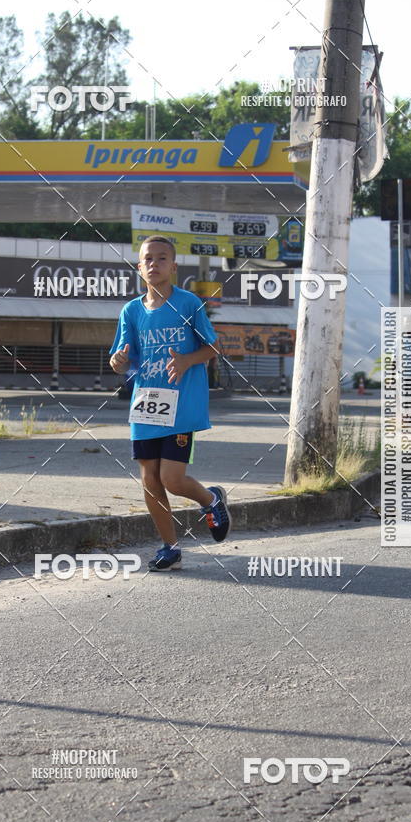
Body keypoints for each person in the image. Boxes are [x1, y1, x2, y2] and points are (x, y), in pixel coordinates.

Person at [109, 235, 231, 571]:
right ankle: (170, 548)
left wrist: (187, 360)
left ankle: (211, 499)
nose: (154, 264)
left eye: (162, 258)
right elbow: (122, 358)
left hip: (182, 405)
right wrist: (118, 363)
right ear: (139, 267)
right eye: (148, 258)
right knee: (149, 479)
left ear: (173, 267)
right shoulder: (131, 310)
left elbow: (214, 348)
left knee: (173, 480)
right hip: (147, 403)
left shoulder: (188, 303)